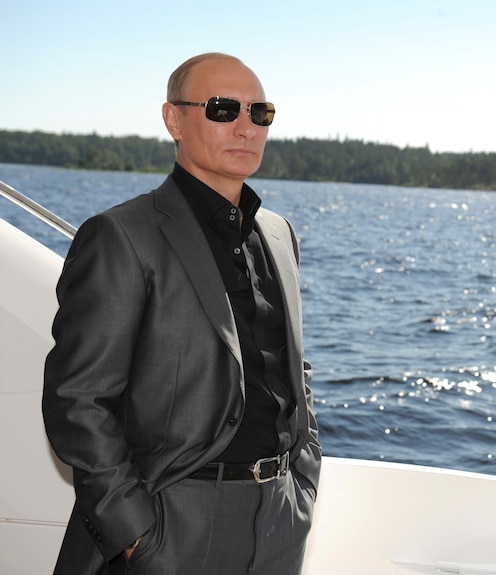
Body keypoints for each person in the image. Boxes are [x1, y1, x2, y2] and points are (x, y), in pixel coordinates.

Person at [42, 53, 321, 575]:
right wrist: (137, 537)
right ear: (174, 119)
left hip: (281, 519)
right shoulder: (121, 237)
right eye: (222, 109)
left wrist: (303, 482)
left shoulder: (280, 236)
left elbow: (293, 372)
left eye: (260, 112)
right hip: (173, 524)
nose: (246, 127)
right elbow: (77, 402)